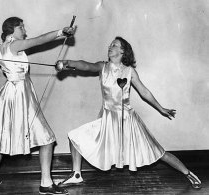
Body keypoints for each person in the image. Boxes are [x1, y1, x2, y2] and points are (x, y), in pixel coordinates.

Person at [55, 36, 201, 189]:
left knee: (158, 152)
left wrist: (161, 109)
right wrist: (68, 63)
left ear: (123, 51)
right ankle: (76, 175)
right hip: (107, 120)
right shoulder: (102, 67)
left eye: (114, 45)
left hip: (128, 121)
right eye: (110, 44)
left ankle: (188, 173)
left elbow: (144, 92)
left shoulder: (129, 71)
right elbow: (85, 66)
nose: (110, 47)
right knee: (75, 137)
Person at [0, 3, 75, 194]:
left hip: (8, 95)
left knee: (2, 140)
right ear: (11, 31)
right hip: (20, 95)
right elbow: (39, 40)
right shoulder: (15, 44)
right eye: (21, 26)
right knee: (47, 139)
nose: (24, 30)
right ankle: (46, 184)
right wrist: (61, 32)